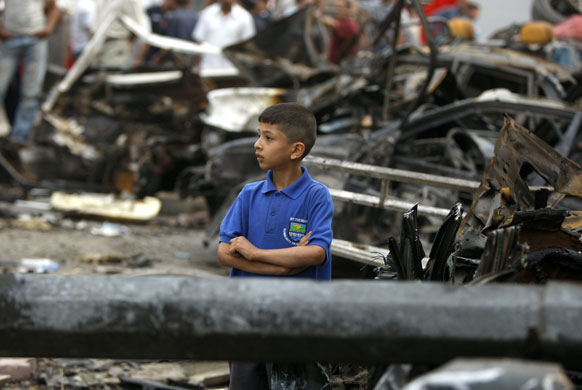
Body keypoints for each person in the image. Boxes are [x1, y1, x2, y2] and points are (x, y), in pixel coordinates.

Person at [218, 102, 333, 389]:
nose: (257, 144)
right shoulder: (249, 194)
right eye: (259, 135)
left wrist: (255, 253)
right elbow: (223, 252)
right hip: (247, 316)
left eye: (268, 138)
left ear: (296, 150)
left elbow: (316, 253)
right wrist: (282, 267)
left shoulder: (316, 196)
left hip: (297, 321)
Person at [0, 0, 62, 144]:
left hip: (36, 40)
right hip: (10, 39)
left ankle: (20, 137)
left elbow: (54, 9)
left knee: (31, 91)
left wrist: (48, 29)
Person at [192, 0, 255, 72]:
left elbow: (249, 46)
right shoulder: (207, 13)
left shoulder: (244, 17)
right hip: (208, 67)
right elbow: (199, 41)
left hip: (233, 70)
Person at [91, 0, 150, 68]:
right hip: (97, 43)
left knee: (110, 74)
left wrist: (127, 43)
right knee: (93, 74)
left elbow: (137, 27)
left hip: (116, 42)